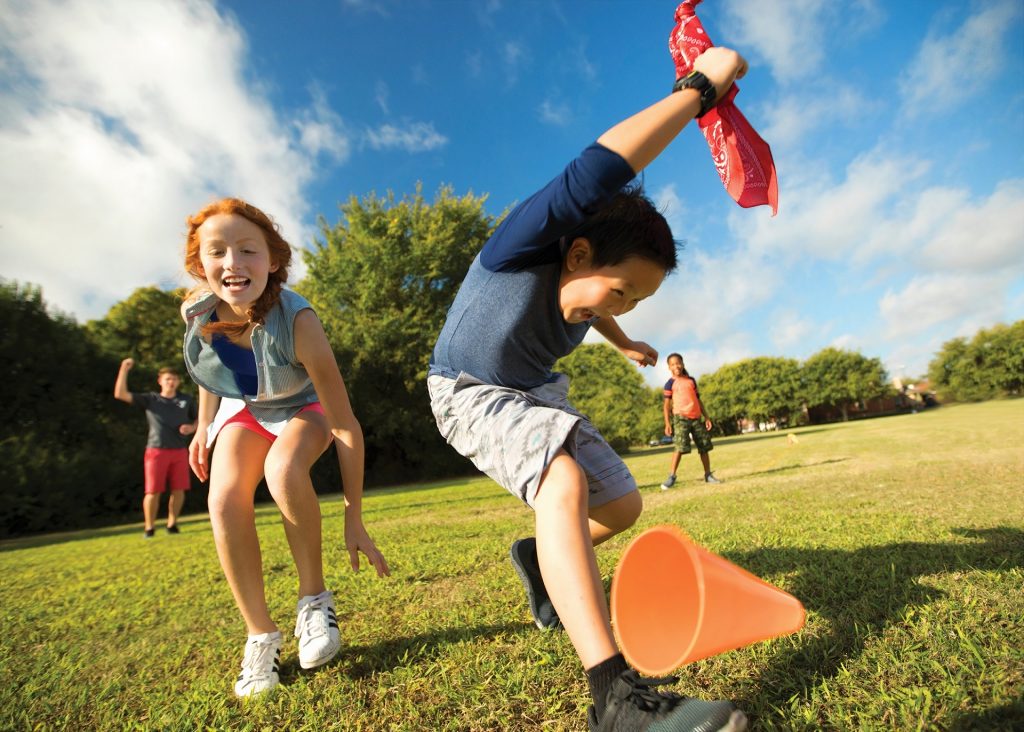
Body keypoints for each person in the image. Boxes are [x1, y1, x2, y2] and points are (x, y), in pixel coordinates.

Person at [427, 46, 749, 732]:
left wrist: (623, 337)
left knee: (623, 502)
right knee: (564, 486)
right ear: (577, 253)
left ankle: (538, 562)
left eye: (637, 301)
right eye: (620, 290)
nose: (622, 305)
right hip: (468, 388)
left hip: (537, 392)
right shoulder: (521, 243)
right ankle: (614, 696)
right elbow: (602, 166)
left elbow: (590, 302)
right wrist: (699, 89)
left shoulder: (585, 289)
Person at [181, 197, 390, 698]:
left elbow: (345, 425)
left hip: (306, 408)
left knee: (282, 471)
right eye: (217, 252)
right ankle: (260, 635)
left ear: (272, 260)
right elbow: (211, 367)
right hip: (249, 408)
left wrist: (353, 514)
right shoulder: (195, 308)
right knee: (223, 498)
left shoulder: (299, 322)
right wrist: (205, 425)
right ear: (200, 265)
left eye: (247, 250)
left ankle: (314, 601)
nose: (232, 263)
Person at [113, 360, 198, 538]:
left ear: (178, 381)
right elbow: (120, 394)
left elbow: (199, 420)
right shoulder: (151, 399)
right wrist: (124, 369)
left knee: (179, 489)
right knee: (152, 491)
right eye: (167, 379)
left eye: (174, 379)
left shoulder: (186, 400)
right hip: (156, 451)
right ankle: (149, 528)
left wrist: (192, 428)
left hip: (179, 450)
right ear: (160, 381)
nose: (171, 382)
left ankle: (172, 524)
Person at [660, 353, 721, 488]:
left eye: (678, 363)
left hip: (696, 418)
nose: (676, 366)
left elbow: (698, 400)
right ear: (669, 367)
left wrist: (707, 417)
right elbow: (666, 406)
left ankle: (708, 475)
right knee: (679, 447)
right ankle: (671, 476)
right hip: (680, 418)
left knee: (704, 447)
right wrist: (667, 423)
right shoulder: (670, 383)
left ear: (682, 364)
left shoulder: (691, 381)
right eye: (673, 364)